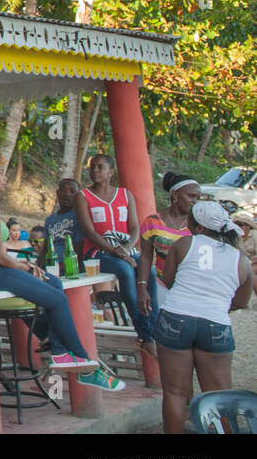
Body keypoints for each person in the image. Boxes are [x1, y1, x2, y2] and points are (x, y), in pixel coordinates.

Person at [0, 177, 124, 390]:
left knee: (55, 283)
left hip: (2, 266)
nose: (5, 178)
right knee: (58, 300)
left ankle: (55, 345)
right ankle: (83, 363)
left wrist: (25, 264)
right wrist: (25, 267)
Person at [154, 200, 253, 434]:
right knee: (220, 398)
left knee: (175, 393)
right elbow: (240, 302)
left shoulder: (184, 244)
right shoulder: (241, 260)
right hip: (215, 323)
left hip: (175, 317)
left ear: (196, 226)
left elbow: (168, 282)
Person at [78, 154, 155, 356]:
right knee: (125, 271)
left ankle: (152, 326)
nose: (95, 170)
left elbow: (135, 228)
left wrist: (127, 249)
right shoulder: (83, 196)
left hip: (125, 248)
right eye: (92, 167)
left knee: (150, 270)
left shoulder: (124, 194)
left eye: (100, 167)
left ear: (111, 172)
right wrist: (118, 253)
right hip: (98, 252)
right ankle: (145, 334)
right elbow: (90, 232)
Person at [137, 173, 196, 329]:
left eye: (197, 197)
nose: (194, 201)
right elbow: (146, 258)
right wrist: (142, 288)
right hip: (162, 286)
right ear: (175, 195)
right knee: (164, 329)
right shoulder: (152, 222)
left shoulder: (198, 225)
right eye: (191, 196)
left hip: (192, 288)